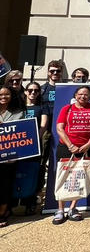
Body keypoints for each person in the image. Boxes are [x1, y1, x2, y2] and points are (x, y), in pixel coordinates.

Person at [54, 85, 90, 224]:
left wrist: (89, 143)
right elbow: (60, 128)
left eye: (86, 94)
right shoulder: (67, 109)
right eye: (80, 94)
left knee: (80, 178)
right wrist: (70, 145)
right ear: (75, 95)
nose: (83, 96)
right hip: (66, 147)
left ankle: (73, 208)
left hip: (86, 148)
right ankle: (60, 210)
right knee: (63, 177)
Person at [22, 81, 48, 214]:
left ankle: (30, 203)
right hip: (18, 145)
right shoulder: (20, 107)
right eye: (30, 90)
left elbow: (43, 125)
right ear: (25, 91)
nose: (33, 93)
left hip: (33, 145)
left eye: (36, 91)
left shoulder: (42, 108)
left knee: (32, 173)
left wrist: (34, 140)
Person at [0, 87, 25, 227]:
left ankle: (2, 213)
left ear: (11, 96)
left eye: (7, 94)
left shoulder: (18, 112)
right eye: (1, 94)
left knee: (5, 185)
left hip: (10, 156)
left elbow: (21, 132)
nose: (4, 97)